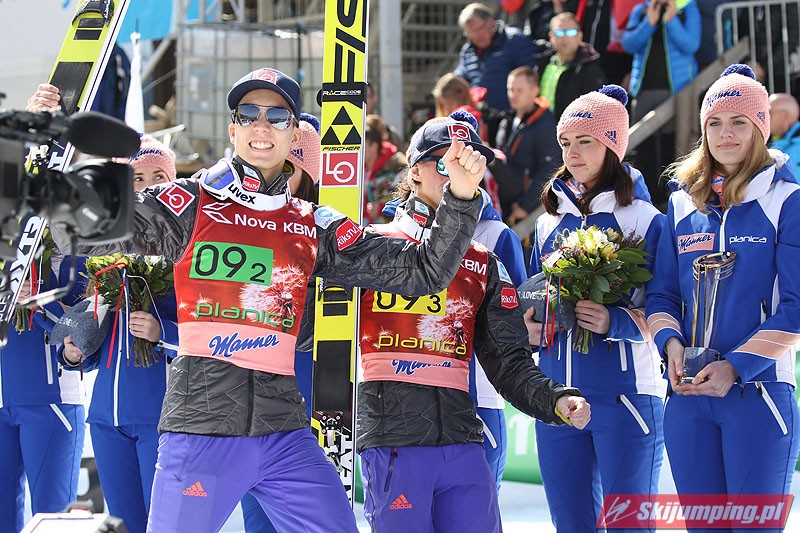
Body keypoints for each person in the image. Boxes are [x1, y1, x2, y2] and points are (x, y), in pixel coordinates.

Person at [49, 67, 488, 533]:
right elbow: (74, 230)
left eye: (277, 116)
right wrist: (50, 151)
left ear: (294, 133)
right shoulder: (190, 204)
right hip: (202, 430)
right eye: (248, 114)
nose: (262, 125)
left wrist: (461, 195)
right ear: (233, 128)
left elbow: (423, 271)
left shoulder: (313, 224)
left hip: (283, 436)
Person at [358, 111, 590, 532]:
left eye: (470, 162)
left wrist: (554, 398)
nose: (458, 171)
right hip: (395, 443)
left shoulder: (484, 263)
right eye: (444, 162)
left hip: (463, 441)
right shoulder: (373, 247)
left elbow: (509, 362)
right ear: (414, 169)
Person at [646, 65, 800, 526]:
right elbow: (662, 295)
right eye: (714, 122)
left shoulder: (786, 200)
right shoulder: (681, 203)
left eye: (738, 122)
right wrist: (671, 345)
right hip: (688, 396)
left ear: (760, 128)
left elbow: (796, 308)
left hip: (759, 392)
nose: (725, 133)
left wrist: (735, 366)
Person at [526, 85, 666, 532]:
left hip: (626, 396)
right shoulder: (547, 223)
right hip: (558, 397)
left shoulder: (645, 219)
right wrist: (531, 328)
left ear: (613, 145)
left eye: (585, 141)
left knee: (630, 526)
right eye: (566, 143)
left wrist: (615, 320)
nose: (573, 153)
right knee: (570, 524)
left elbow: (668, 308)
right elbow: (534, 296)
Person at [55, 134, 181, 533]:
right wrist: (75, 354)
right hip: (106, 420)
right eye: (137, 178)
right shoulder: (106, 255)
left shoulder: (188, 253)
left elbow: (213, 331)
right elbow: (96, 335)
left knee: (165, 523)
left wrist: (164, 332)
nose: (148, 186)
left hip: (160, 416)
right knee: (124, 523)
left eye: (159, 176)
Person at [0, 251, 86, 533]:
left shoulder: (70, 258)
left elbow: (83, 331)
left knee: (53, 520)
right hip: (3, 404)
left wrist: (40, 298)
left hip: (52, 404)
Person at [493, 66, 561, 225]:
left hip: (524, 209)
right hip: (503, 203)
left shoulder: (545, 126)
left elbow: (548, 170)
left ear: (534, 91)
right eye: (510, 89)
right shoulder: (507, 120)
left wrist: (525, 206)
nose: (513, 95)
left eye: (519, 90)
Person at [453, 2, 540, 112]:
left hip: (512, 115)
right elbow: (458, 80)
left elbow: (532, 76)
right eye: (470, 32)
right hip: (480, 116)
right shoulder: (468, 52)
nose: (476, 36)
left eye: (479, 29)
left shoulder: (515, 41)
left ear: (490, 21)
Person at [535, 11, 607, 122]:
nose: (565, 38)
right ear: (551, 36)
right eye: (559, 33)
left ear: (580, 36)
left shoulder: (590, 70)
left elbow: (597, 112)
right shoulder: (542, 64)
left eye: (571, 32)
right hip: (540, 128)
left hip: (571, 130)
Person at [769, 93, 800, 176]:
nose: (764, 118)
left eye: (769, 112)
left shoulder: (796, 147)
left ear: (784, 115)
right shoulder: (781, 141)